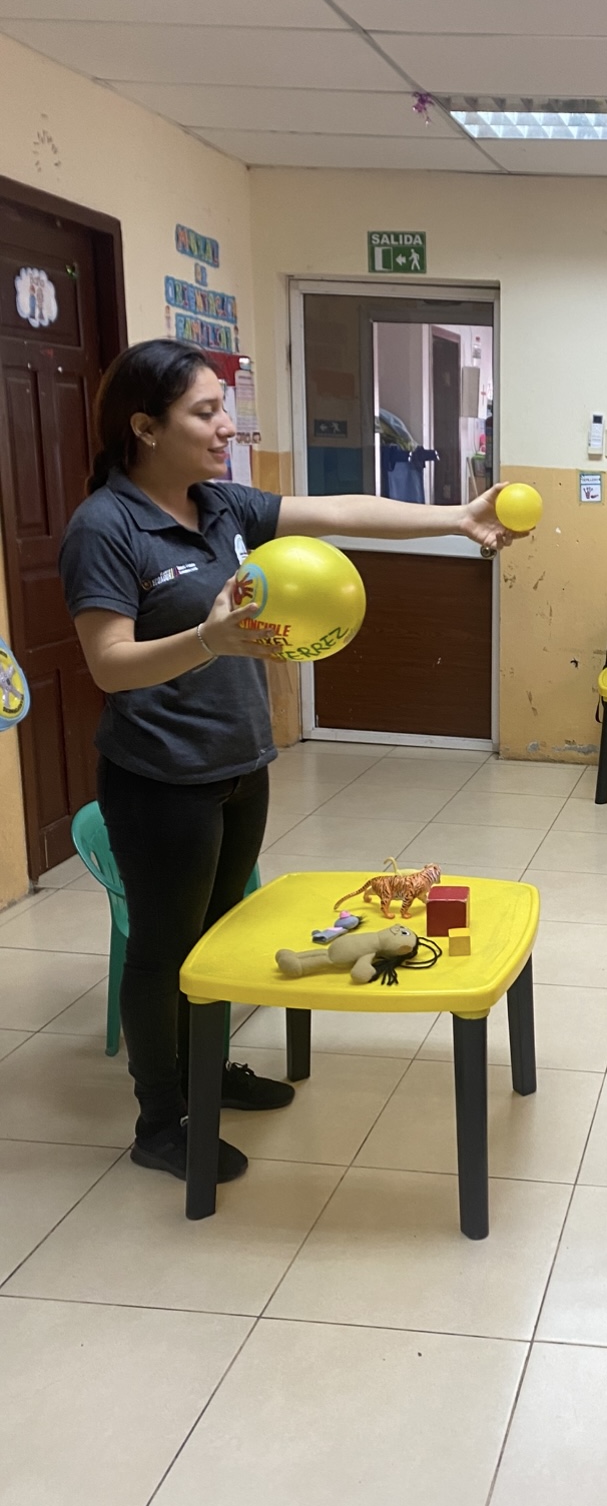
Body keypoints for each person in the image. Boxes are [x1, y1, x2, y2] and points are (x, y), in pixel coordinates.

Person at [58, 339, 520, 1183]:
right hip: (161, 778)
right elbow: (109, 665)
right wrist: (207, 638)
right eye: (205, 412)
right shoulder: (107, 527)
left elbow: (341, 511)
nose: (226, 427)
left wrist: (456, 518)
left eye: (224, 409)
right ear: (145, 427)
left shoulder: (221, 504)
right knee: (164, 949)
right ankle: (161, 1118)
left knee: (219, 936)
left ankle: (206, 1069)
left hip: (240, 763)